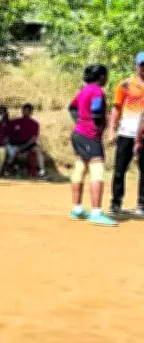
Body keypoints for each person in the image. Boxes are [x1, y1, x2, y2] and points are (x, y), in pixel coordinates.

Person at [67, 64, 116, 226]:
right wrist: (98, 124)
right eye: (106, 75)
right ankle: (96, 212)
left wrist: (79, 121)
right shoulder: (97, 91)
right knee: (97, 170)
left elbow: (72, 107)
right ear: (101, 77)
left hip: (78, 134)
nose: (107, 78)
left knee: (80, 167)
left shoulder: (84, 90)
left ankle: (77, 209)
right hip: (89, 136)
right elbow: (95, 109)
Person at [108, 52, 144, 216]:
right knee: (119, 169)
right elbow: (116, 108)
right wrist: (111, 130)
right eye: (141, 64)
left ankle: (142, 204)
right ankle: (116, 203)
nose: (143, 68)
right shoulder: (125, 85)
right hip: (126, 132)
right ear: (136, 66)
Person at [7, 104, 47, 180]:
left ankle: (42, 172)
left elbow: (33, 139)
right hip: (17, 143)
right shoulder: (15, 121)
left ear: (31, 112)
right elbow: (7, 127)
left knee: (38, 151)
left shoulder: (35, 124)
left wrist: (23, 147)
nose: (25, 112)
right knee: (14, 151)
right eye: (24, 110)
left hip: (29, 144)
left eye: (27, 111)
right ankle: (10, 169)